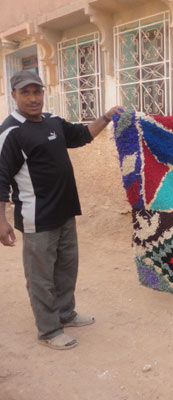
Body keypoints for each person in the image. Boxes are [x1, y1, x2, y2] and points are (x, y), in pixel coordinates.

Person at [0, 70, 122, 350]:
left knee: (66, 268)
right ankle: (49, 330)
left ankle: (66, 314)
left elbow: (80, 136)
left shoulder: (52, 121)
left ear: (43, 93)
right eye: (26, 93)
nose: (33, 98)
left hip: (65, 210)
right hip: (37, 217)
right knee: (41, 276)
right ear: (15, 95)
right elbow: (1, 178)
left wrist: (106, 117)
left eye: (37, 92)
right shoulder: (11, 132)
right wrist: (1, 221)